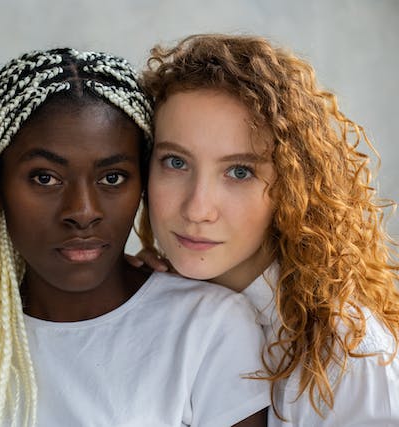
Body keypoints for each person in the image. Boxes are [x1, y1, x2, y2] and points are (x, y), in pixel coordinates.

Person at [0, 47, 270, 427]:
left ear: (142, 183)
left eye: (112, 178)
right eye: (45, 178)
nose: (83, 212)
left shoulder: (207, 328)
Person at [133, 34, 399, 426]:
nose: (198, 208)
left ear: (293, 187)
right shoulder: (150, 301)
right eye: (175, 162)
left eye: (239, 172)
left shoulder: (346, 355)